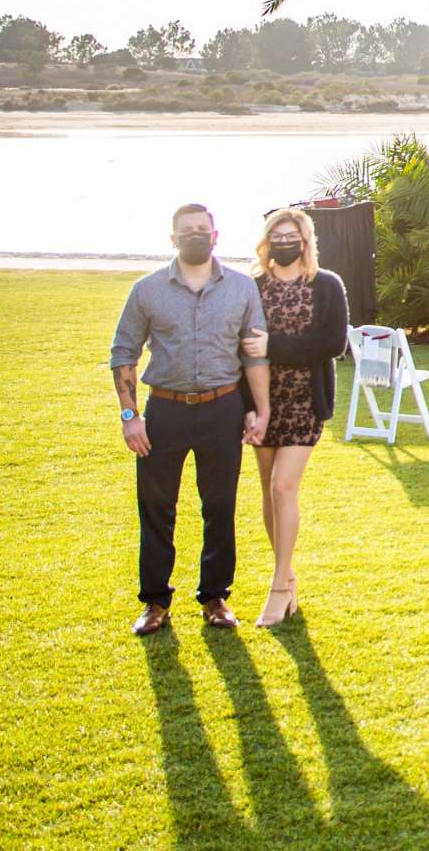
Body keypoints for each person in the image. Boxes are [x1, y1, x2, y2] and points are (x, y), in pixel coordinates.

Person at [111, 203, 269, 635]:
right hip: (165, 411)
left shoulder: (241, 288)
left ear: (215, 236)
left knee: (219, 505)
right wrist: (130, 416)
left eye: (203, 229)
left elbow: (254, 352)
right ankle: (155, 602)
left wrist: (260, 409)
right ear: (173, 239)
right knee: (157, 507)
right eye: (187, 230)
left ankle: (216, 598)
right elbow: (123, 353)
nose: (196, 235)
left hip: (223, 409)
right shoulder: (147, 290)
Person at [248, 207, 348, 628]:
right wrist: (249, 406)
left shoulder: (325, 285)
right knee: (270, 493)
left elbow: (332, 343)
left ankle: (276, 588)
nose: (284, 243)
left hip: (306, 401)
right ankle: (287, 576)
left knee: (284, 485)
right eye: (277, 236)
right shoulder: (251, 286)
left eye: (292, 236)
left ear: (305, 242)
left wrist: (273, 345)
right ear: (267, 241)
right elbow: (244, 348)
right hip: (261, 400)